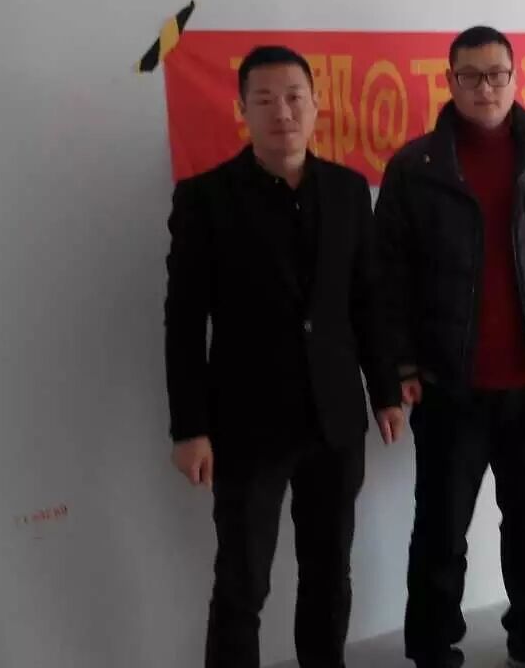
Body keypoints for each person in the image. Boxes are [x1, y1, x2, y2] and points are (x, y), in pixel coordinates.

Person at [163, 45, 407, 668]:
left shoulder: (348, 191)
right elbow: (184, 322)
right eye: (265, 100)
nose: (283, 112)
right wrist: (190, 428)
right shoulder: (206, 199)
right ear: (242, 109)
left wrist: (385, 391)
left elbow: (368, 300)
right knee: (242, 583)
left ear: (317, 104)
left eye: (295, 97)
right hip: (247, 422)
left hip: (335, 418)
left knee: (329, 571)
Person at [375, 25, 525, 668]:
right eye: (471, 75)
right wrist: (399, 363)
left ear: (514, 77)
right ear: (450, 81)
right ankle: (432, 648)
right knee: (442, 529)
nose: (485, 87)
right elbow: (387, 278)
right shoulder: (416, 168)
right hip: (449, 384)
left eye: (496, 74)